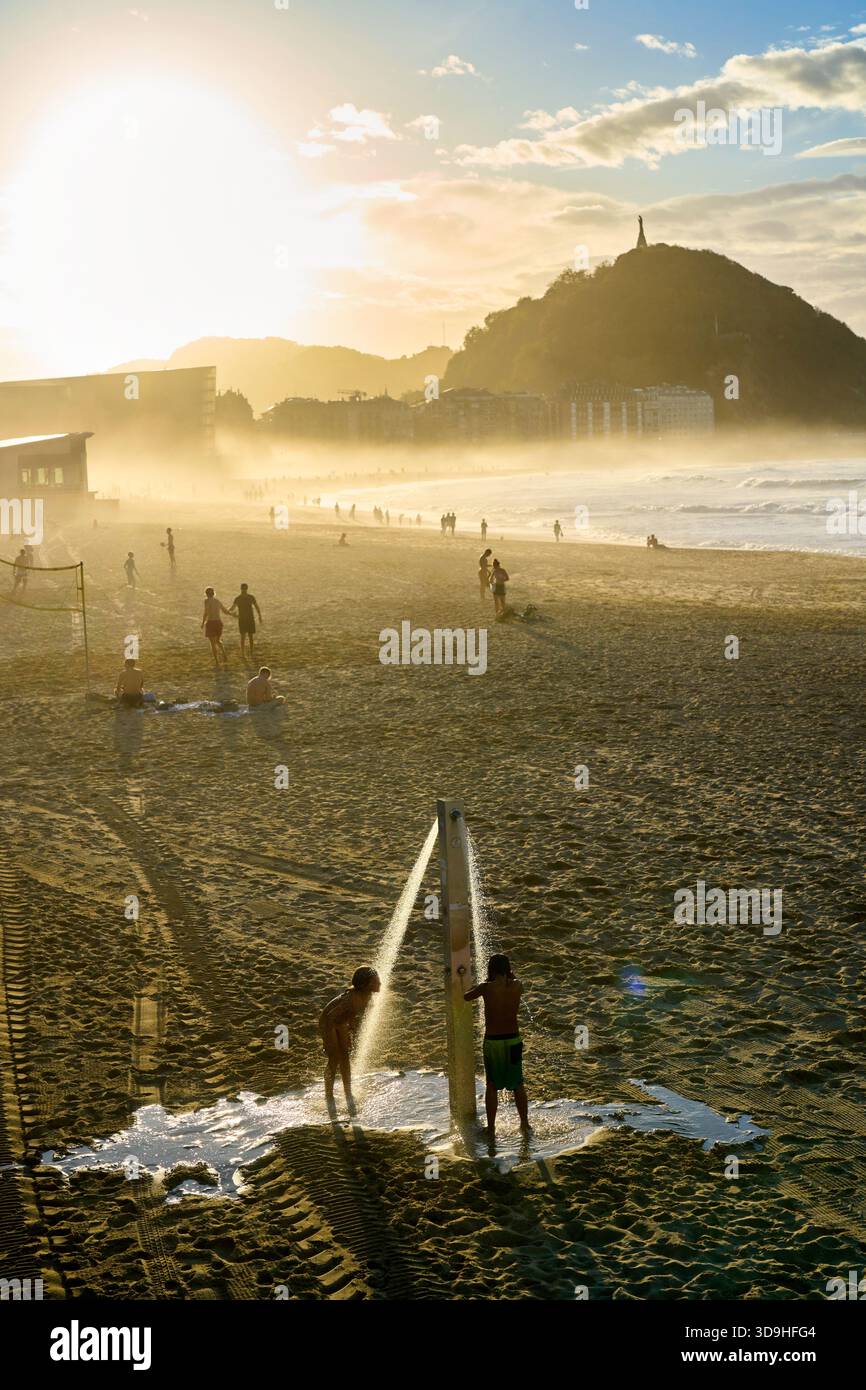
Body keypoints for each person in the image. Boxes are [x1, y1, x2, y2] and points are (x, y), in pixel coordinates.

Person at [464, 954, 529, 1135]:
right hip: (514, 1039)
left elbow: (466, 997)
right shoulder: (518, 985)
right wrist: (510, 975)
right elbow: (514, 981)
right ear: (508, 968)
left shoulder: (486, 988)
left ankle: (491, 1127)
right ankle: (524, 1123)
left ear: (491, 969)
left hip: (493, 1042)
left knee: (492, 1085)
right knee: (518, 1084)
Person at [318, 967, 381, 1108]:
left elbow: (352, 1016)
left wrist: (349, 1033)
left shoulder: (367, 997)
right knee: (334, 1059)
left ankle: (348, 1093)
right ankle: (329, 1096)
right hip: (329, 1022)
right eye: (377, 981)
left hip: (340, 1022)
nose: (380, 984)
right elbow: (330, 1018)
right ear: (367, 985)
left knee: (345, 1057)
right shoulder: (351, 998)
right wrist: (329, 1041)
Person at [229, 582, 262, 661]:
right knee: (250, 637)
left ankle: (243, 653)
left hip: (242, 620)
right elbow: (257, 607)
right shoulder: (251, 597)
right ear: (247, 588)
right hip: (250, 619)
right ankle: (250, 652)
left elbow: (232, 608)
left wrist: (230, 612)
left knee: (243, 636)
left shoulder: (238, 598)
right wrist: (259, 616)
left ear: (241, 589)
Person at [201, 587, 231, 665]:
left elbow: (206, 612)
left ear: (206, 594)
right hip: (218, 622)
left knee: (213, 643)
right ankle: (224, 654)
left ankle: (217, 661)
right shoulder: (217, 601)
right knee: (217, 641)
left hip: (211, 623)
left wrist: (203, 622)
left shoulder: (206, 601)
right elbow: (225, 611)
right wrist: (234, 614)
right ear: (213, 593)